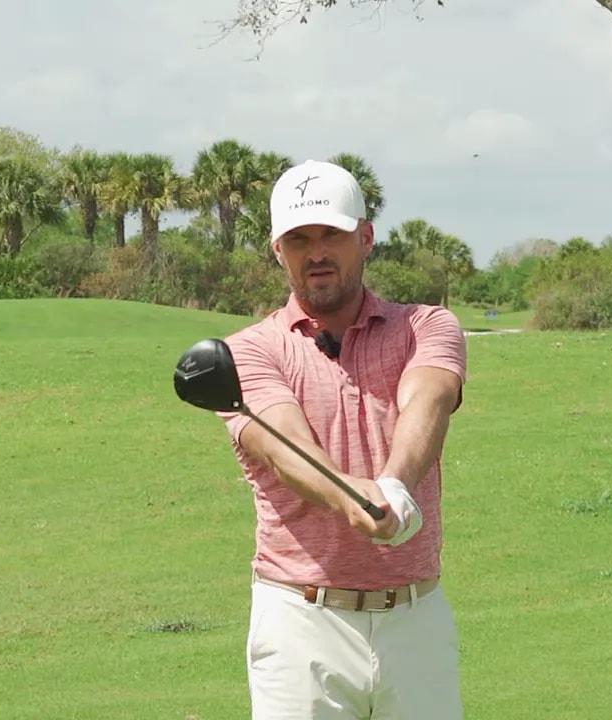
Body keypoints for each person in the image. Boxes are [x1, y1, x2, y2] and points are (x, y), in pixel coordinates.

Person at [215, 159, 468, 719]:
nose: (317, 252)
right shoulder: (249, 350)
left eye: (332, 233)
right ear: (278, 250)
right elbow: (284, 447)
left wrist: (394, 487)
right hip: (302, 624)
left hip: (414, 620)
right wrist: (355, 497)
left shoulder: (426, 326)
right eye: (299, 239)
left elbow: (427, 399)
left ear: (367, 237)